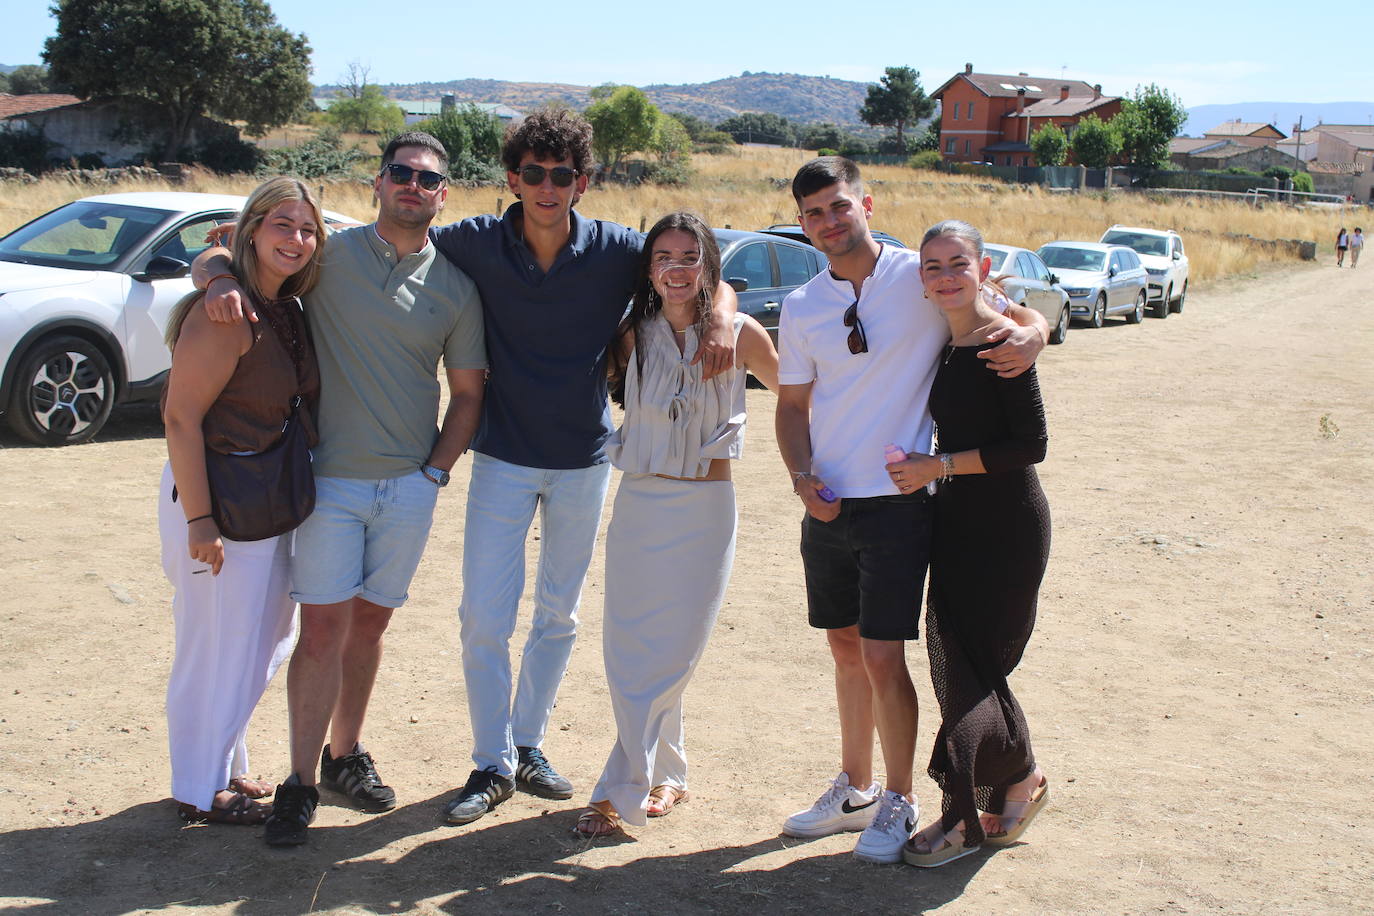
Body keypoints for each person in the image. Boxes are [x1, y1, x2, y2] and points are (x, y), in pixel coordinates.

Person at [425, 109, 739, 826]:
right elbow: (394, 241)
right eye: (532, 173)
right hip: (502, 455)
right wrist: (221, 263)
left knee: (558, 615)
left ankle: (530, 745)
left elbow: (691, 268)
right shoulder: (475, 240)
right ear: (512, 179)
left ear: (582, 182)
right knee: (483, 614)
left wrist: (722, 310)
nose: (546, 186)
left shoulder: (615, 250)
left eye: (560, 175)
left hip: (585, 460)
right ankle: (489, 760)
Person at [193, 132, 488, 846]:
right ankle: (298, 783)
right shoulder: (328, 255)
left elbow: (470, 395)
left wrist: (435, 473)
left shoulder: (455, 284)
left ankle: (343, 756)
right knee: (322, 629)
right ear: (378, 184)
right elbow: (220, 248)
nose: (413, 185)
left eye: (428, 178)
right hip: (327, 484)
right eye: (401, 173)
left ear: (443, 195)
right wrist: (219, 280)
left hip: (409, 488)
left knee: (371, 626)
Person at [773, 157, 1047, 864]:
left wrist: (1037, 328)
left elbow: (996, 305)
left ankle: (900, 799)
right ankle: (855, 785)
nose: (830, 222)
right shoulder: (803, 305)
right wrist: (803, 479)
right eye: (814, 214)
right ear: (802, 225)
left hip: (899, 505)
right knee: (842, 649)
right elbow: (793, 407)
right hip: (827, 507)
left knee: (882, 654)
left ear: (867, 202)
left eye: (839, 206)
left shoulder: (917, 275)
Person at [573, 211, 780, 837]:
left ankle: (617, 790)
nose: (676, 268)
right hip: (638, 505)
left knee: (676, 650)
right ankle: (665, 772)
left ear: (709, 264)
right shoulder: (631, 335)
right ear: (649, 268)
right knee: (633, 650)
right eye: (663, 256)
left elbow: (803, 392)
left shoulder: (741, 333)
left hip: (706, 510)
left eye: (690, 256)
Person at [159, 177, 324, 825]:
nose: (298, 239)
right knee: (214, 644)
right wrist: (200, 520)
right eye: (283, 224)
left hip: (261, 501)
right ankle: (198, 788)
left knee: (258, 639)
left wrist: (220, 269)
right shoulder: (222, 312)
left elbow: (213, 255)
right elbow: (179, 419)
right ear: (252, 227)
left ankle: (223, 765)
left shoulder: (283, 305)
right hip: (217, 505)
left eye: (308, 229)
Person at [894, 220, 1051, 867]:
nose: (945, 275)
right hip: (956, 525)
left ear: (983, 268)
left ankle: (964, 816)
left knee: (970, 673)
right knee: (960, 664)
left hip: (1007, 530)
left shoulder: (1002, 344)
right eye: (933, 266)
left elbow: (1030, 445)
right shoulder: (950, 341)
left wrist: (939, 466)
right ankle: (1021, 780)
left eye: (958, 262)